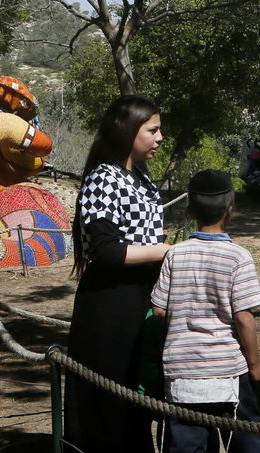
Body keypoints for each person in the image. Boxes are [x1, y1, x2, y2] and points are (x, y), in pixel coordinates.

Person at [66, 96, 172, 453]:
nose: (160, 138)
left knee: (136, 393)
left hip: (141, 295)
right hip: (111, 302)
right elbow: (108, 251)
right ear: (127, 131)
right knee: (109, 397)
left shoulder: (141, 176)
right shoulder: (103, 178)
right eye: (153, 130)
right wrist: (167, 251)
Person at [151, 169, 260, 453]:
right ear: (230, 211)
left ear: (190, 212)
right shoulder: (239, 257)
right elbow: (243, 317)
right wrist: (255, 364)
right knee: (246, 443)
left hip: (182, 372)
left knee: (187, 446)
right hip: (228, 372)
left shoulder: (175, 254)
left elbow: (158, 310)